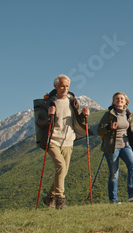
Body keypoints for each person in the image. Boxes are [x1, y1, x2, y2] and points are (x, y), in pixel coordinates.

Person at [36, 74, 93, 209]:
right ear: (55, 86)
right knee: (61, 167)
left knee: (62, 171)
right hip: (52, 140)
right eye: (62, 86)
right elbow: (39, 122)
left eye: (67, 86)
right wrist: (48, 115)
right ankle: (60, 200)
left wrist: (84, 116)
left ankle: (49, 196)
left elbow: (77, 120)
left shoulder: (72, 101)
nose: (65, 88)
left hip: (68, 140)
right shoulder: (48, 102)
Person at [97, 92, 133, 204]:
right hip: (112, 146)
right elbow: (99, 130)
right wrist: (109, 127)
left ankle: (132, 193)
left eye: (121, 98)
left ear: (125, 101)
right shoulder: (109, 114)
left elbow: (131, 132)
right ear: (113, 101)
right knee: (114, 173)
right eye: (117, 98)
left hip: (126, 145)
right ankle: (113, 200)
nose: (119, 100)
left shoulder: (128, 115)